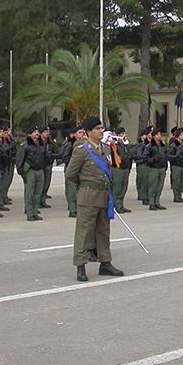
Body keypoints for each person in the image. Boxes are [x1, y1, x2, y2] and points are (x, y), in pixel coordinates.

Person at [65, 117, 124, 282]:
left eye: (101, 128)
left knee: (103, 231)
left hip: (104, 195)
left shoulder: (104, 148)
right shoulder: (82, 149)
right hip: (88, 196)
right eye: (97, 128)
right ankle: (81, 265)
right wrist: (85, 185)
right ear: (88, 131)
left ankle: (105, 262)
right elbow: (70, 173)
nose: (100, 131)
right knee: (84, 231)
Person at [15, 126, 45, 221]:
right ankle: (29, 213)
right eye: (34, 131)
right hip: (30, 170)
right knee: (29, 193)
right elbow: (19, 159)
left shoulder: (40, 144)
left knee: (38, 192)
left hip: (40, 170)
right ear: (29, 134)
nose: (37, 133)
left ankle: (35, 212)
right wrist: (22, 173)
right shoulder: (25, 145)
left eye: (37, 131)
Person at [58, 126, 85, 217]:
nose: (82, 134)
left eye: (82, 132)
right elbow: (64, 156)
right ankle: (72, 209)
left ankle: (78, 208)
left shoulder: (83, 143)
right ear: (74, 134)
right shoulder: (69, 144)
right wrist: (73, 164)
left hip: (80, 170)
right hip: (72, 169)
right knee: (71, 190)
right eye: (80, 132)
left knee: (79, 190)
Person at [110, 126, 134, 213]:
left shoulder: (124, 144)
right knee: (117, 188)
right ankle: (115, 206)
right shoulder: (114, 144)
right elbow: (121, 155)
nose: (124, 135)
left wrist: (126, 145)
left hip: (125, 168)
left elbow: (131, 153)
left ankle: (120, 205)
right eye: (122, 134)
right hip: (117, 169)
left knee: (124, 187)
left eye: (124, 133)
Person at [143, 128, 168, 210]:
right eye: (158, 134)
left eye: (160, 134)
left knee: (160, 186)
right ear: (154, 136)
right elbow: (145, 158)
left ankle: (157, 202)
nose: (159, 136)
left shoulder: (162, 145)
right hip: (154, 168)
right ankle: (151, 203)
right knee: (153, 186)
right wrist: (153, 160)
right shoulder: (150, 146)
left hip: (161, 168)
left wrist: (165, 165)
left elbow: (165, 155)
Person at [39, 126, 54, 207]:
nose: (47, 133)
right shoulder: (38, 142)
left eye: (48, 131)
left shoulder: (49, 142)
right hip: (40, 165)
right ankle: (38, 202)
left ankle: (43, 200)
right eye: (45, 132)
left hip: (48, 164)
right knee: (40, 185)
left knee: (46, 184)